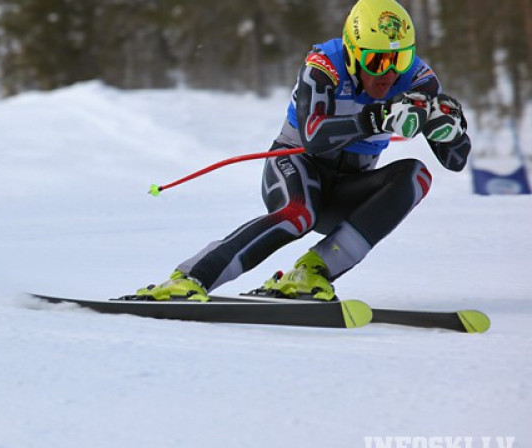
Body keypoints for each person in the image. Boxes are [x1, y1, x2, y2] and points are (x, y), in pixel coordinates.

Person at [136, 0, 471, 302]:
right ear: (353, 52)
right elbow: (313, 135)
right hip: (296, 166)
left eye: (400, 58)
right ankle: (191, 277)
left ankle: (312, 271)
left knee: (416, 175)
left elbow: (455, 161)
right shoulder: (323, 65)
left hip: (348, 186)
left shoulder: (416, 78)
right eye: (377, 60)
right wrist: (379, 116)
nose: (388, 73)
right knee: (300, 213)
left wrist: (450, 132)